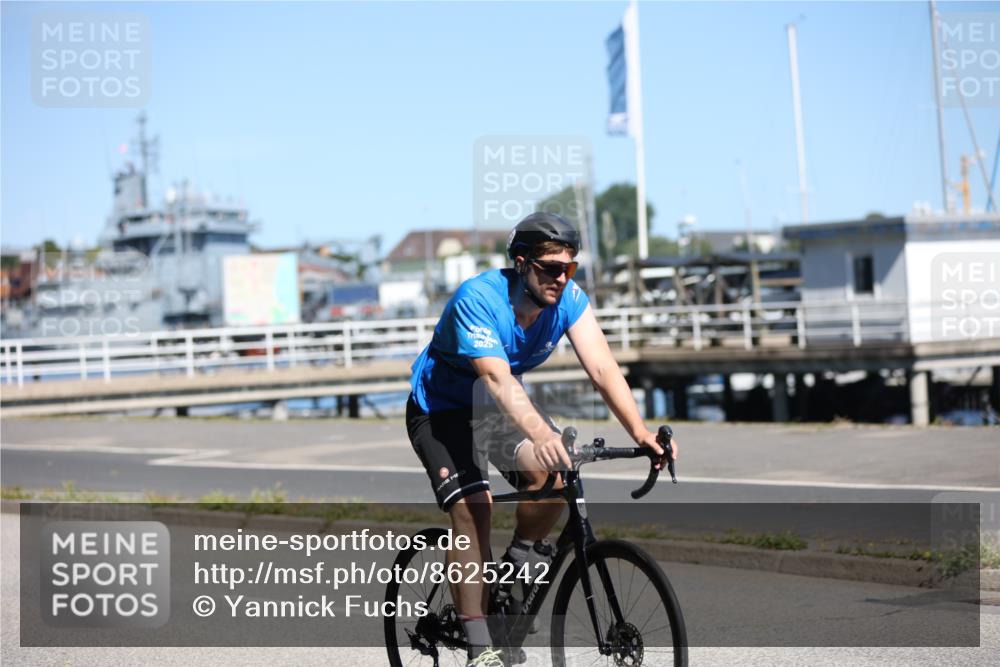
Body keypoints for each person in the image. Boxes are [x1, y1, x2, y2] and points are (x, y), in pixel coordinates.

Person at [405, 212, 678, 666]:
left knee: (556, 482)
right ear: (521, 263)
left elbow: (604, 368)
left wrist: (641, 433)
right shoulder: (479, 299)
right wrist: (540, 434)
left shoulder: (567, 299)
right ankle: (478, 643)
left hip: (493, 408)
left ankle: (514, 573)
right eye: (551, 267)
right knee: (475, 508)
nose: (561, 278)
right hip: (441, 410)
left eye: (569, 267)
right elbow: (494, 378)